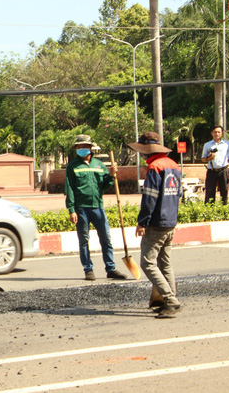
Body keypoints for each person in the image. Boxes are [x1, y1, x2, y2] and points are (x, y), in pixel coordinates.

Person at [127, 132, 182, 318]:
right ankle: (170, 298)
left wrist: (142, 222)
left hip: (157, 223)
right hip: (170, 222)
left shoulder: (154, 167)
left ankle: (171, 300)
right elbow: (178, 195)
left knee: (148, 263)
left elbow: (149, 198)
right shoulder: (174, 165)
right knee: (165, 263)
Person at [64, 134, 127, 281]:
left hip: (98, 207)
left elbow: (105, 186)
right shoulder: (72, 166)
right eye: (79, 147)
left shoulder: (99, 165)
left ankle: (110, 268)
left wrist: (111, 175)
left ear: (90, 148)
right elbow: (70, 189)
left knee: (106, 238)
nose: (82, 149)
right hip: (81, 208)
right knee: (84, 240)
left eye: (85, 146)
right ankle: (88, 269)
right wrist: (71, 210)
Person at [201, 125, 229, 204]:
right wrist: (209, 158)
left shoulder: (227, 144)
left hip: (223, 170)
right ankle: (209, 211)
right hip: (211, 171)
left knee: (224, 192)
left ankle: (224, 210)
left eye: (219, 132)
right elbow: (203, 159)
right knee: (209, 192)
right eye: (215, 132)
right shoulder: (207, 145)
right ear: (212, 133)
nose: (217, 134)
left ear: (222, 133)